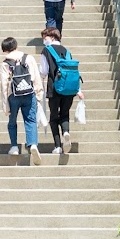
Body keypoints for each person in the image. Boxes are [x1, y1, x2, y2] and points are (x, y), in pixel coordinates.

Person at [37, 24, 85, 158]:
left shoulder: (46, 51)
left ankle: (58, 146)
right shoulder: (67, 50)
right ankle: (66, 132)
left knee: (53, 117)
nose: (44, 40)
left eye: (44, 37)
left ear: (51, 37)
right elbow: (72, 71)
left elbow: (43, 71)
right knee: (64, 114)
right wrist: (78, 90)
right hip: (69, 89)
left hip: (55, 88)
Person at [0, 37, 43, 165]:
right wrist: (39, 94)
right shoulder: (29, 58)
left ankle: (14, 147)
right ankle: (32, 144)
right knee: (30, 120)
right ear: (16, 46)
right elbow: (36, 77)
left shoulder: (5, 63)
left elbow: (4, 85)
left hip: (13, 96)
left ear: (5, 49)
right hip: (29, 93)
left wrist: (5, 105)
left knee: (12, 122)